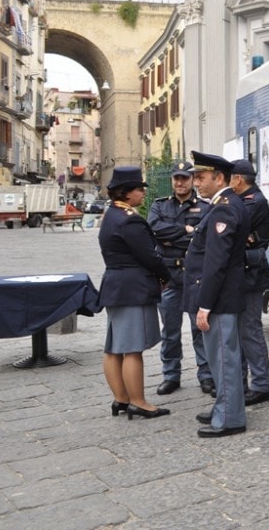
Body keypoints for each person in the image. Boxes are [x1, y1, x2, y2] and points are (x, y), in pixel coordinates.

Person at [184, 151, 251, 437]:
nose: (196, 183)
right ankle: (225, 405)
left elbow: (216, 262)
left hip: (220, 298)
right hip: (224, 295)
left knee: (224, 357)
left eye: (201, 177)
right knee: (221, 356)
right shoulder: (225, 204)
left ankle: (230, 418)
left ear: (219, 177)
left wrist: (205, 304)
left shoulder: (224, 207)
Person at [97, 166, 171, 420]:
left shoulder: (112, 214)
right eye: (139, 189)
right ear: (127, 193)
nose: (142, 193)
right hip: (133, 287)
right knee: (132, 349)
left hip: (115, 285)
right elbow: (149, 256)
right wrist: (166, 276)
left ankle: (121, 398)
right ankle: (138, 402)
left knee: (115, 348)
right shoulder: (130, 219)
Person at [148, 160, 215, 396]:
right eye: (176, 178)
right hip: (169, 277)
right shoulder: (159, 207)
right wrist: (186, 232)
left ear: (192, 180)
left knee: (200, 328)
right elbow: (155, 230)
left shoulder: (206, 208)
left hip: (195, 277)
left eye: (184, 178)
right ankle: (171, 375)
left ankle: (206, 375)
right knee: (170, 330)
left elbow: (203, 239)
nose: (179, 182)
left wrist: (174, 236)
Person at [230, 159, 269, 405]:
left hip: (252, 272)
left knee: (250, 331)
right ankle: (243, 382)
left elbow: (232, 229)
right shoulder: (243, 200)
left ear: (238, 179)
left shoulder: (254, 201)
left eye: (229, 178)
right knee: (240, 331)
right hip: (243, 272)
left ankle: (261, 385)